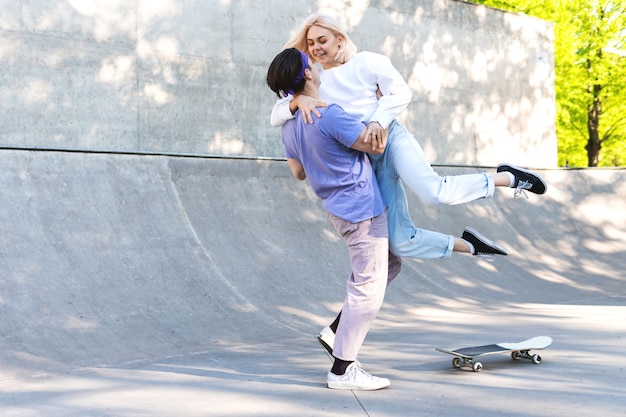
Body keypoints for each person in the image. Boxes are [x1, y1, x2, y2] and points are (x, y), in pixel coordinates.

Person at [270, 12, 547, 263]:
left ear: (339, 39)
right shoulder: (315, 81)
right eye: (312, 43)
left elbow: (401, 93)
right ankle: (468, 245)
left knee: (434, 192)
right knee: (400, 241)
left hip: (392, 142)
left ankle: (508, 178)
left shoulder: (368, 61)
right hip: (366, 160)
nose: (317, 48)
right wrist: (296, 104)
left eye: (323, 40)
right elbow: (276, 114)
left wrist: (379, 118)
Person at [266, 47, 400, 390]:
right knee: (367, 289)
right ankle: (343, 369)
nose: (315, 61)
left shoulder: (290, 125)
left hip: (339, 210)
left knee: (391, 263)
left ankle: (336, 331)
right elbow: (376, 147)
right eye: (310, 61)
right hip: (362, 210)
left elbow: (297, 172)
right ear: (307, 74)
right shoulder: (330, 114)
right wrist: (382, 109)